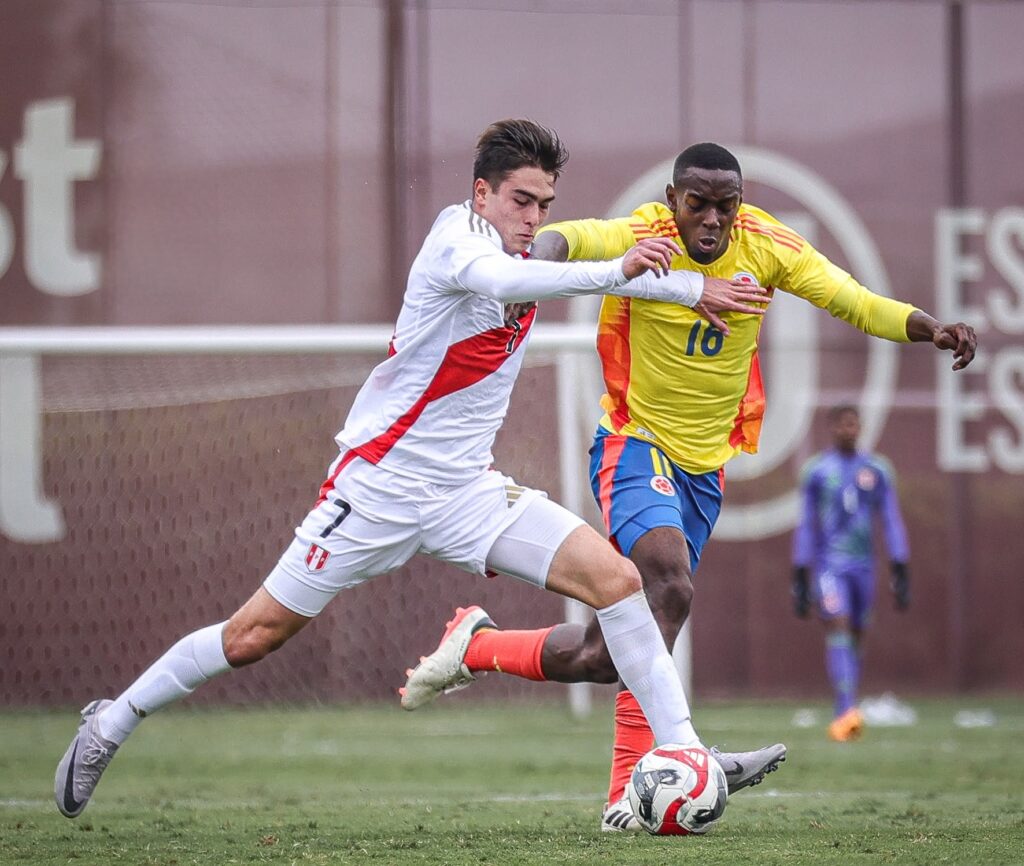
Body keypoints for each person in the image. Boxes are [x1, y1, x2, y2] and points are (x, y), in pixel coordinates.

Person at [54, 120, 775, 821]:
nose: (533, 218)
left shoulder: (524, 254)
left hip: (468, 493)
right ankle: (109, 724)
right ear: (482, 193)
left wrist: (687, 291)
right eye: (520, 201)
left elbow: (548, 277)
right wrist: (639, 275)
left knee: (619, 584)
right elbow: (507, 279)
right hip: (377, 489)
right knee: (252, 637)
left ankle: (684, 754)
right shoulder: (455, 242)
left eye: (544, 205)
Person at [402, 142, 978, 832]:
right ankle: (643, 780)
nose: (710, 220)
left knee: (613, 652)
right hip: (632, 444)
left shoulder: (768, 246)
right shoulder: (644, 235)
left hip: (704, 471)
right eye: (696, 204)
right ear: (674, 200)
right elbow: (568, 236)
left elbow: (854, 301)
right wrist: (523, 268)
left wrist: (931, 329)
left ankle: (481, 645)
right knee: (668, 586)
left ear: (740, 207)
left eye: (724, 207)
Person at [791, 404, 911, 742]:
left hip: (864, 566)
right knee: (839, 625)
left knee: (856, 633)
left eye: (854, 424)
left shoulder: (877, 470)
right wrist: (800, 571)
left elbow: (890, 519)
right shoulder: (817, 471)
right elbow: (807, 525)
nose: (849, 430)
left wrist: (900, 564)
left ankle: (847, 703)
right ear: (832, 429)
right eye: (843, 424)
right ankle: (845, 711)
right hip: (830, 566)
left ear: (861, 428)